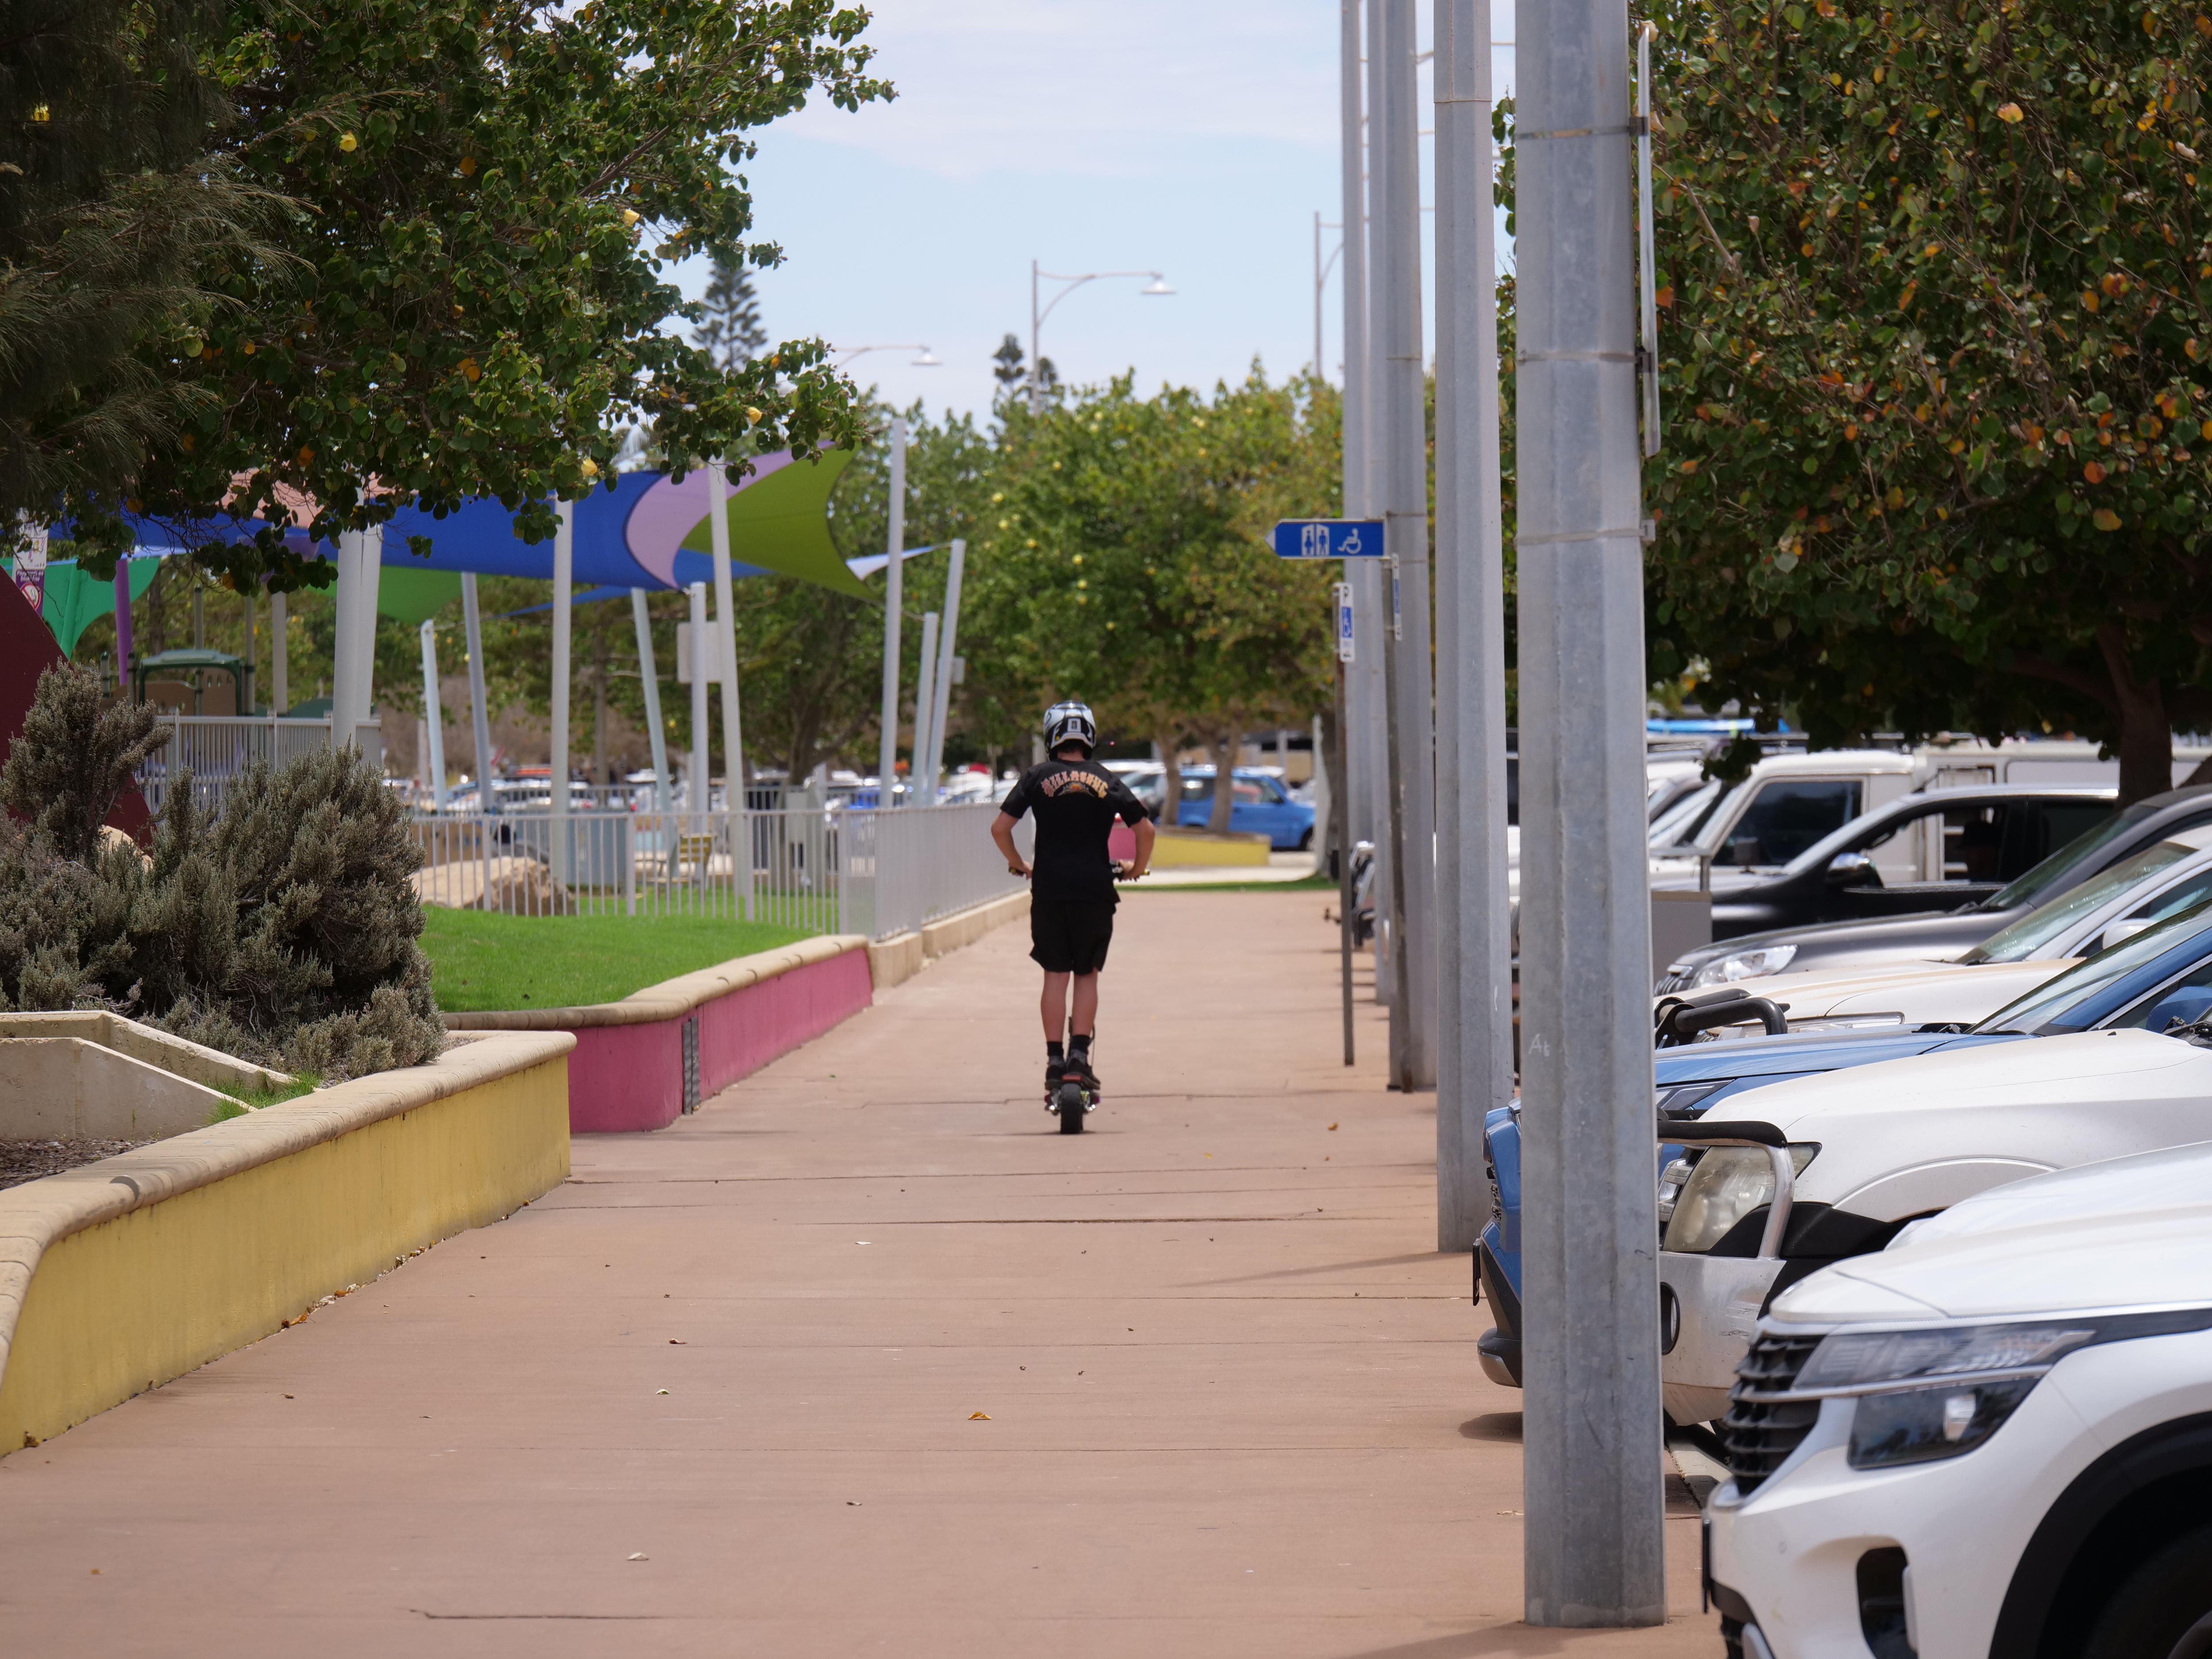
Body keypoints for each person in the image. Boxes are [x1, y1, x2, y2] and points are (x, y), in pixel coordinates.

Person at [991, 701, 1155, 1100]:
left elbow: (1000, 828)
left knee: (1055, 974)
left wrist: (1019, 864)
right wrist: (1136, 868)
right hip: (1094, 891)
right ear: (1090, 736)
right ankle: (1079, 1059)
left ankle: (1054, 1061)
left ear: (1051, 736)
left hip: (1050, 890)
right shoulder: (1106, 779)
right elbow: (1146, 830)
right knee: (1086, 974)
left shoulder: (1036, 777)